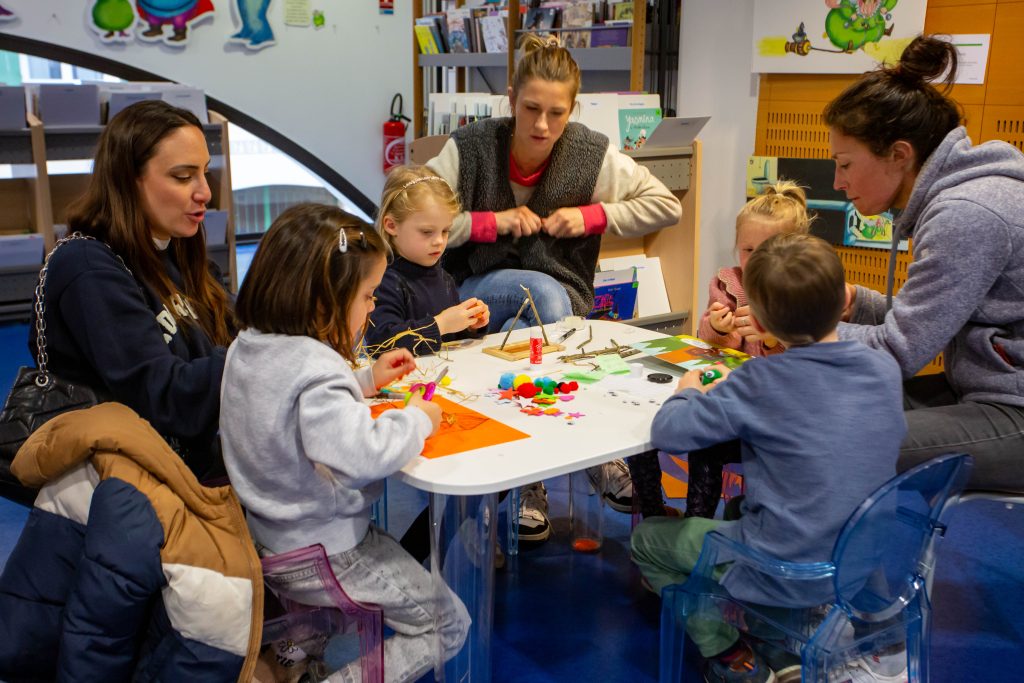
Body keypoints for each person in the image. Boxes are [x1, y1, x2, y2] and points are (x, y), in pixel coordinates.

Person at [427, 34, 682, 537]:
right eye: (531, 109)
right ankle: (585, 455)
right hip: (469, 290)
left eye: (557, 113)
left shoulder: (591, 153)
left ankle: (530, 478)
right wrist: (489, 224)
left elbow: (666, 206)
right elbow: (401, 215)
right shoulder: (471, 147)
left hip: (559, 303)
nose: (542, 125)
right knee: (540, 296)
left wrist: (593, 215)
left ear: (574, 110)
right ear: (510, 99)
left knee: (544, 308)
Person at [631, 233, 907, 683]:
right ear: (843, 300)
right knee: (743, 507)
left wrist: (687, 394)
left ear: (757, 319)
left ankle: (730, 656)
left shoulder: (760, 379)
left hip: (785, 565)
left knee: (648, 540)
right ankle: (778, 644)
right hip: (859, 561)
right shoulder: (883, 367)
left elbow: (670, 433)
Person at [219, 204, 469, 683]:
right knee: (448, 624)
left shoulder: (248, 345)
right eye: (368, 296)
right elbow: (364, 457)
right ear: (322, 303)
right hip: (328, 550)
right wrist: (418, 419)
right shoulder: (316, 366)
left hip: (270, 539)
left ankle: (290, 656)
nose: (373, 308)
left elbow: (284, 403)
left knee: (332, 611)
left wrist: (364, 379)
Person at [826, 35, 1024, 493]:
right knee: (818, 400)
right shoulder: (964, 197)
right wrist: (855, 302)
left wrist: (796, 330)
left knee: (832, 437)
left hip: (1011, 407)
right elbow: (927, 323)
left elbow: (899, 354)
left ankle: (830, 563)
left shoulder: (966, 213)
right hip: (987, 388)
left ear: (899, 154)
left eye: (845, 164)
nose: (838, 182)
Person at [34, 99, 232, 479]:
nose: (205, 192)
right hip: (131, 489)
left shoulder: (178, 251)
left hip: (187, 474)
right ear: (129, 179)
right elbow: (165, 399)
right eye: (182, 176)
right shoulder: (87, 267)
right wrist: (259, 352)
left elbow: (235, 326)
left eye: (205, 173)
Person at [628, 182, 812, 520]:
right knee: (644, 425)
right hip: (727, 398)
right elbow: (707, 343)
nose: (756, 260)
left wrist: (771, 340)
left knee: (706, 444)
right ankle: (654, 514)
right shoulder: (730, 282)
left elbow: (801, 369)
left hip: (768, 421)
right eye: (748, 249)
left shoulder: (802, 294)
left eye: (768, 249)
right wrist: (719, 327)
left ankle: (695, 524)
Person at [366, 165, 490, 355]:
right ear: (391, 225)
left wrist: (469, 325)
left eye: (445, 231)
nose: (439, 241)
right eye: (427, 232)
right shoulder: (384, 281)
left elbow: (449, 340)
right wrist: (440, 325)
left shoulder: (444, 278)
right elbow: (382, 342)